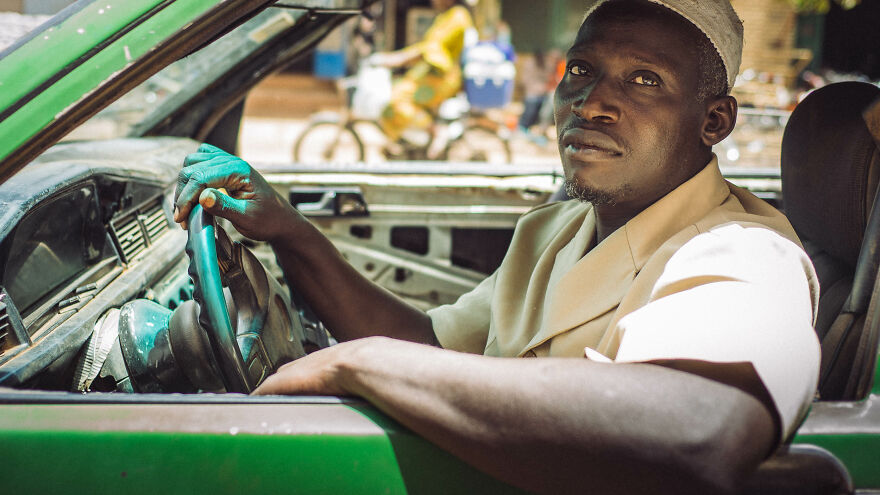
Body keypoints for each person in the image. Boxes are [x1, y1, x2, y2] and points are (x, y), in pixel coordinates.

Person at [173, 0, 820, 492]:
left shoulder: (742, 251)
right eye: (583, 71)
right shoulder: (556, 229)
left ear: (714, 121)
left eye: (644, 80)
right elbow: (429, 346)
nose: (593, 103)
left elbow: (701, 430)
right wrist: (291, 231)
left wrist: (361, 363)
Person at [368, 0, 474, 154]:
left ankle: (436, 130)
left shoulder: (458, 16)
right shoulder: (446, 16)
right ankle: (404, 145)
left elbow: (431, 47)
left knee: (399, 98)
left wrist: (397, 59)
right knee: (393, 94)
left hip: (442, 78)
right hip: (430, 73)